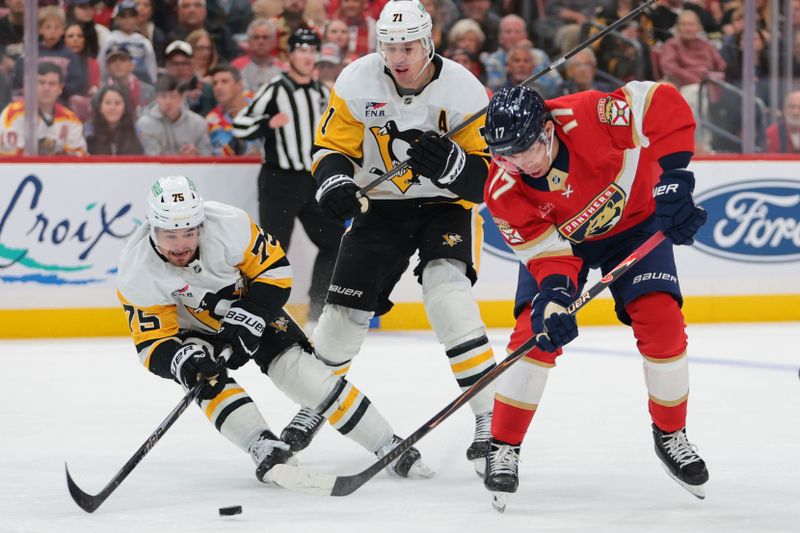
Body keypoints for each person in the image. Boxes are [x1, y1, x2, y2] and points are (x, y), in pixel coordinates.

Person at [282, 0, 498, 476]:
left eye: (408, 47)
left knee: (448, 296)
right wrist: (335, 182)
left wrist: (453, 167)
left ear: (429, 43)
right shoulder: (356, 81)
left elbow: (489, 181)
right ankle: (315, 403)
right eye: (389, 46)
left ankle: (490, 419)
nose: (398, 57)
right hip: (380, 207)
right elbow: (329, 148)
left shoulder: (464, 89)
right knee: (341, 314)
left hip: (445, 207)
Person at [479, 82, 710, 511]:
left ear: (548, 130)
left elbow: (661, 101)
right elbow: (548, 258)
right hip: (565, 247)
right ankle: (503, 444)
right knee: (535, 334)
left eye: (525, 150)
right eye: (506, 156)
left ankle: (670, 433)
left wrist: (675, 179)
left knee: (662, 324)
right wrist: (554, 297)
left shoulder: (589, 114)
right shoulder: (503, 188)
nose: (519, 164)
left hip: (637, 225)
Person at [117, 175, 432, 483]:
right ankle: (262, 444)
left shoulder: (229, 224)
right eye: (170, 236)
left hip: (250, 304)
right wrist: (182, 363)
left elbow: (275, 272)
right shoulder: (136, 270)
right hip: (192, 330)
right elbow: (152, 343)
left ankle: (386, 442)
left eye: (188, 233)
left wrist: (248, 317)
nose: (180, 245)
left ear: (201, 225)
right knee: (205, 378)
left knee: (302, 374)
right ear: (152, 228)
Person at [232, 28, 343, 332]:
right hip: (279, 181)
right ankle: (264, 317)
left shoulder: (322, 93)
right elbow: (240, 126)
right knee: (272, 252)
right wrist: (267, 123)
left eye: (312, 50)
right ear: (290, 54)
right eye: (301, 50)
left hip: (313, 180)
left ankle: (317, 314)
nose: (307, 56)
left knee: (334, 242)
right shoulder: (275, 89)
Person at [0, 62, 87, 156]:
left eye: (52, 84)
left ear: (60, 88)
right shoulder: (13, 114)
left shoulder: (70, 119)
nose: (46, 88)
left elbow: (79, 158)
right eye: (41, 82)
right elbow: (8, 157)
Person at [136, 73, 212, 156]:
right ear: (156, 98)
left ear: (183, 98)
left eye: (173, 96)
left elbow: (207, 154)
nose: (168, 102)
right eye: (163, 96)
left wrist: (196, 154)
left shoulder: (198, 123)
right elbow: (151, 156)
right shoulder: (145, 123)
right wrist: (179, 158)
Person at [206, 64, 260, 156]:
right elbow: (224, 156)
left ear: (239, 85)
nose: (218, 87)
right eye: (215, 83)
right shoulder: (212, 120)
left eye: (225, 81)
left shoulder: (258, 102)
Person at [85, 84, 144, 155]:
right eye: (108, 103)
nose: (112, 108)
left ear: (125, 108)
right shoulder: (89, 131)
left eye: (117, 103)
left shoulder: (135, 131)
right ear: (100, 107)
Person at [231, 19, 283, 93]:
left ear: (274, 42)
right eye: (256, 37)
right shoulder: (235, 67)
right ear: (249, 41)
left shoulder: (284, 69)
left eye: (265, 37)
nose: (260, 41)